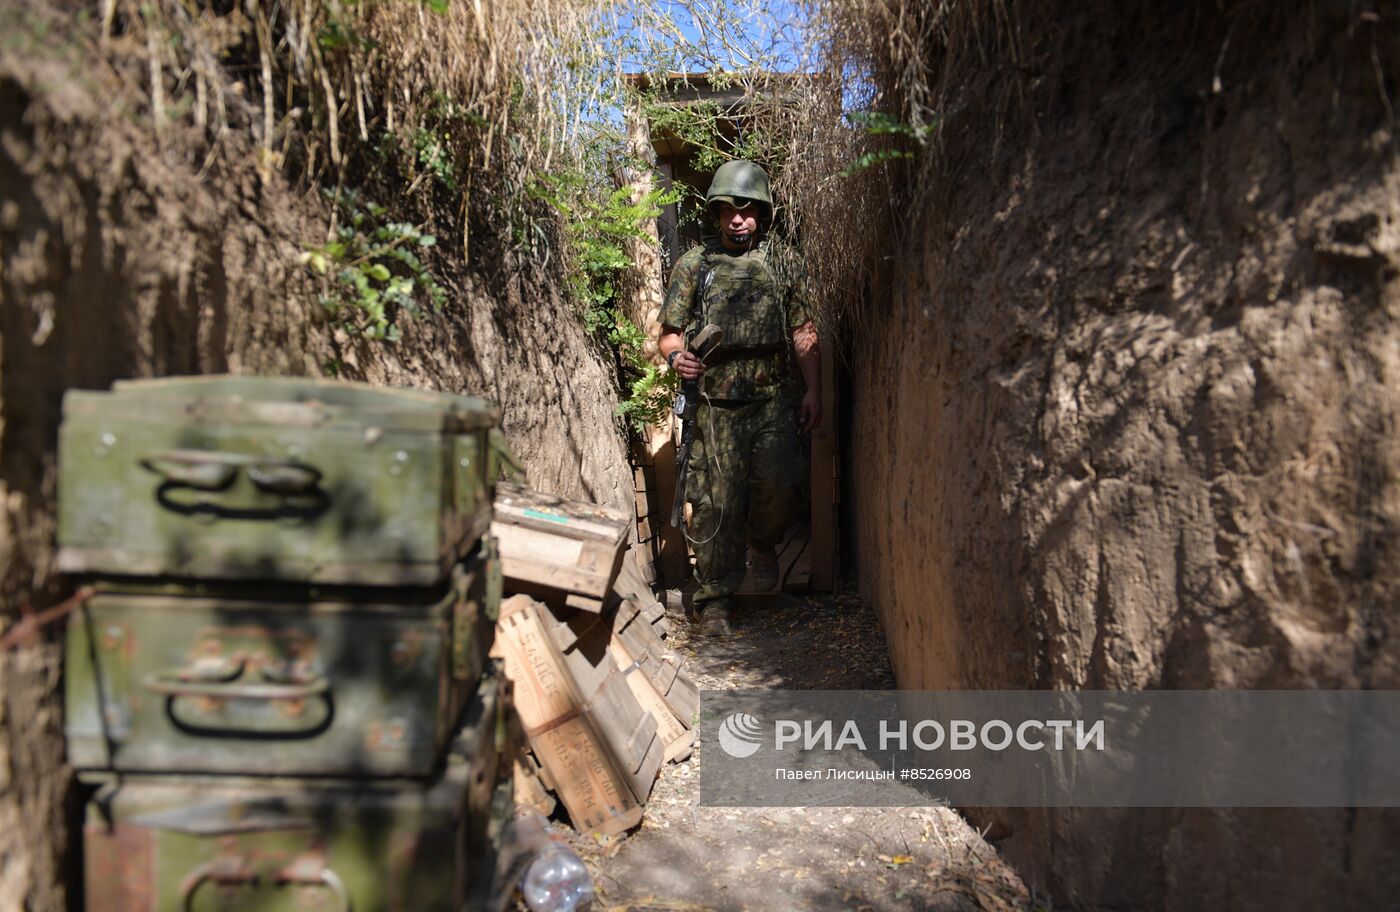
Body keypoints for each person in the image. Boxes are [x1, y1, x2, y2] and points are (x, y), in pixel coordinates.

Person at [657, 160, 822, 637]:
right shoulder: (695, 264)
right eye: (728, 209)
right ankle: (714, 603)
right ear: (715, 213)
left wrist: (814, 388)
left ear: (761, 213)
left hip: (772, 394)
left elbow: (803, 328)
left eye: (747, 209)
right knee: (715, 502)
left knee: (780, 485)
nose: (737, 219)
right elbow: (669, 334)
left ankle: (763, 543)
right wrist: (676, 359)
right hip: (713, 401)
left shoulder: (783, 259)